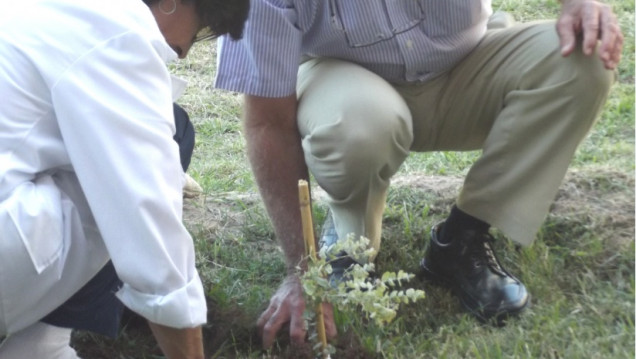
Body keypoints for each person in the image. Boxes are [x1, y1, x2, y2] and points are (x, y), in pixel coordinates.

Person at [213, 0, 623, 349]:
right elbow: (268, 123)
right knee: (360, 124)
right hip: (347, 86)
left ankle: (461, 239)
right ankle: (349, 247)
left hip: (467, 61)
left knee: (581, 63)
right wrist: (301, 269)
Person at [0, 0, 248, 357]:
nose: (182, 53)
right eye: (196, 32)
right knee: (141, 161)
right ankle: (40, 348)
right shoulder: (118, 34)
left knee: (168, 126)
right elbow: (146, 216)